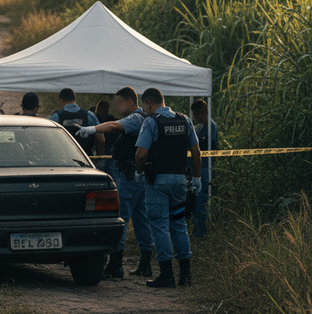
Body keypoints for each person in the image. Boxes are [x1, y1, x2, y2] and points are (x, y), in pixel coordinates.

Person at [76, 87, 155, 278]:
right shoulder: (146, 118)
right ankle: (145, 264)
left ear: (130, 102)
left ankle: (116, 265)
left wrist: (92, 129)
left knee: (122, 217)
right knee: (142, 218)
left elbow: (113, 126)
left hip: (130, 175)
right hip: (141, 175)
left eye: (119, 103)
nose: (116, 107)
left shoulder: (135, 118)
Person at [134, 88, 202, 288]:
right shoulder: (184, 120)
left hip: (158, 182)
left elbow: (141, 154)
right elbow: (196, 152)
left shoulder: (151, 122)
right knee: (179, 225)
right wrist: (197, 178)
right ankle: (185, 275)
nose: (144, 110)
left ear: (149, 103)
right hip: (180, 180)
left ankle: (166, 275)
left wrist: (139, 172)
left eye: (144, 106)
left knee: (159, 226)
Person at [189, 99, 218, 238]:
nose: (195, 117)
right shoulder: (199, 128)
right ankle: (197, 229)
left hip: (205, 168)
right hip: (198, 168)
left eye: (196, 114)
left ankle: (200, 231)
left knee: (200, 201)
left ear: (202, 112)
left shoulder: (211, 127)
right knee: (195, 201)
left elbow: (209, 147)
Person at [49, 88, 105, 156]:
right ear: (75, 98)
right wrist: (100, 158)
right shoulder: (89, 115)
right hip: (86, 158)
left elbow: (48, 139)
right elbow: (100, 140)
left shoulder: (55, 117)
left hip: (64, 159)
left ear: (62, 100)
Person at [93, 99, 120, 186]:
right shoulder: (94, 118)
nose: (103, 110)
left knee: (113, 178)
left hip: (110, 154)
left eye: (105, 108)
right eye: (101, 108)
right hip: (97, 154)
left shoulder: (112, 120)